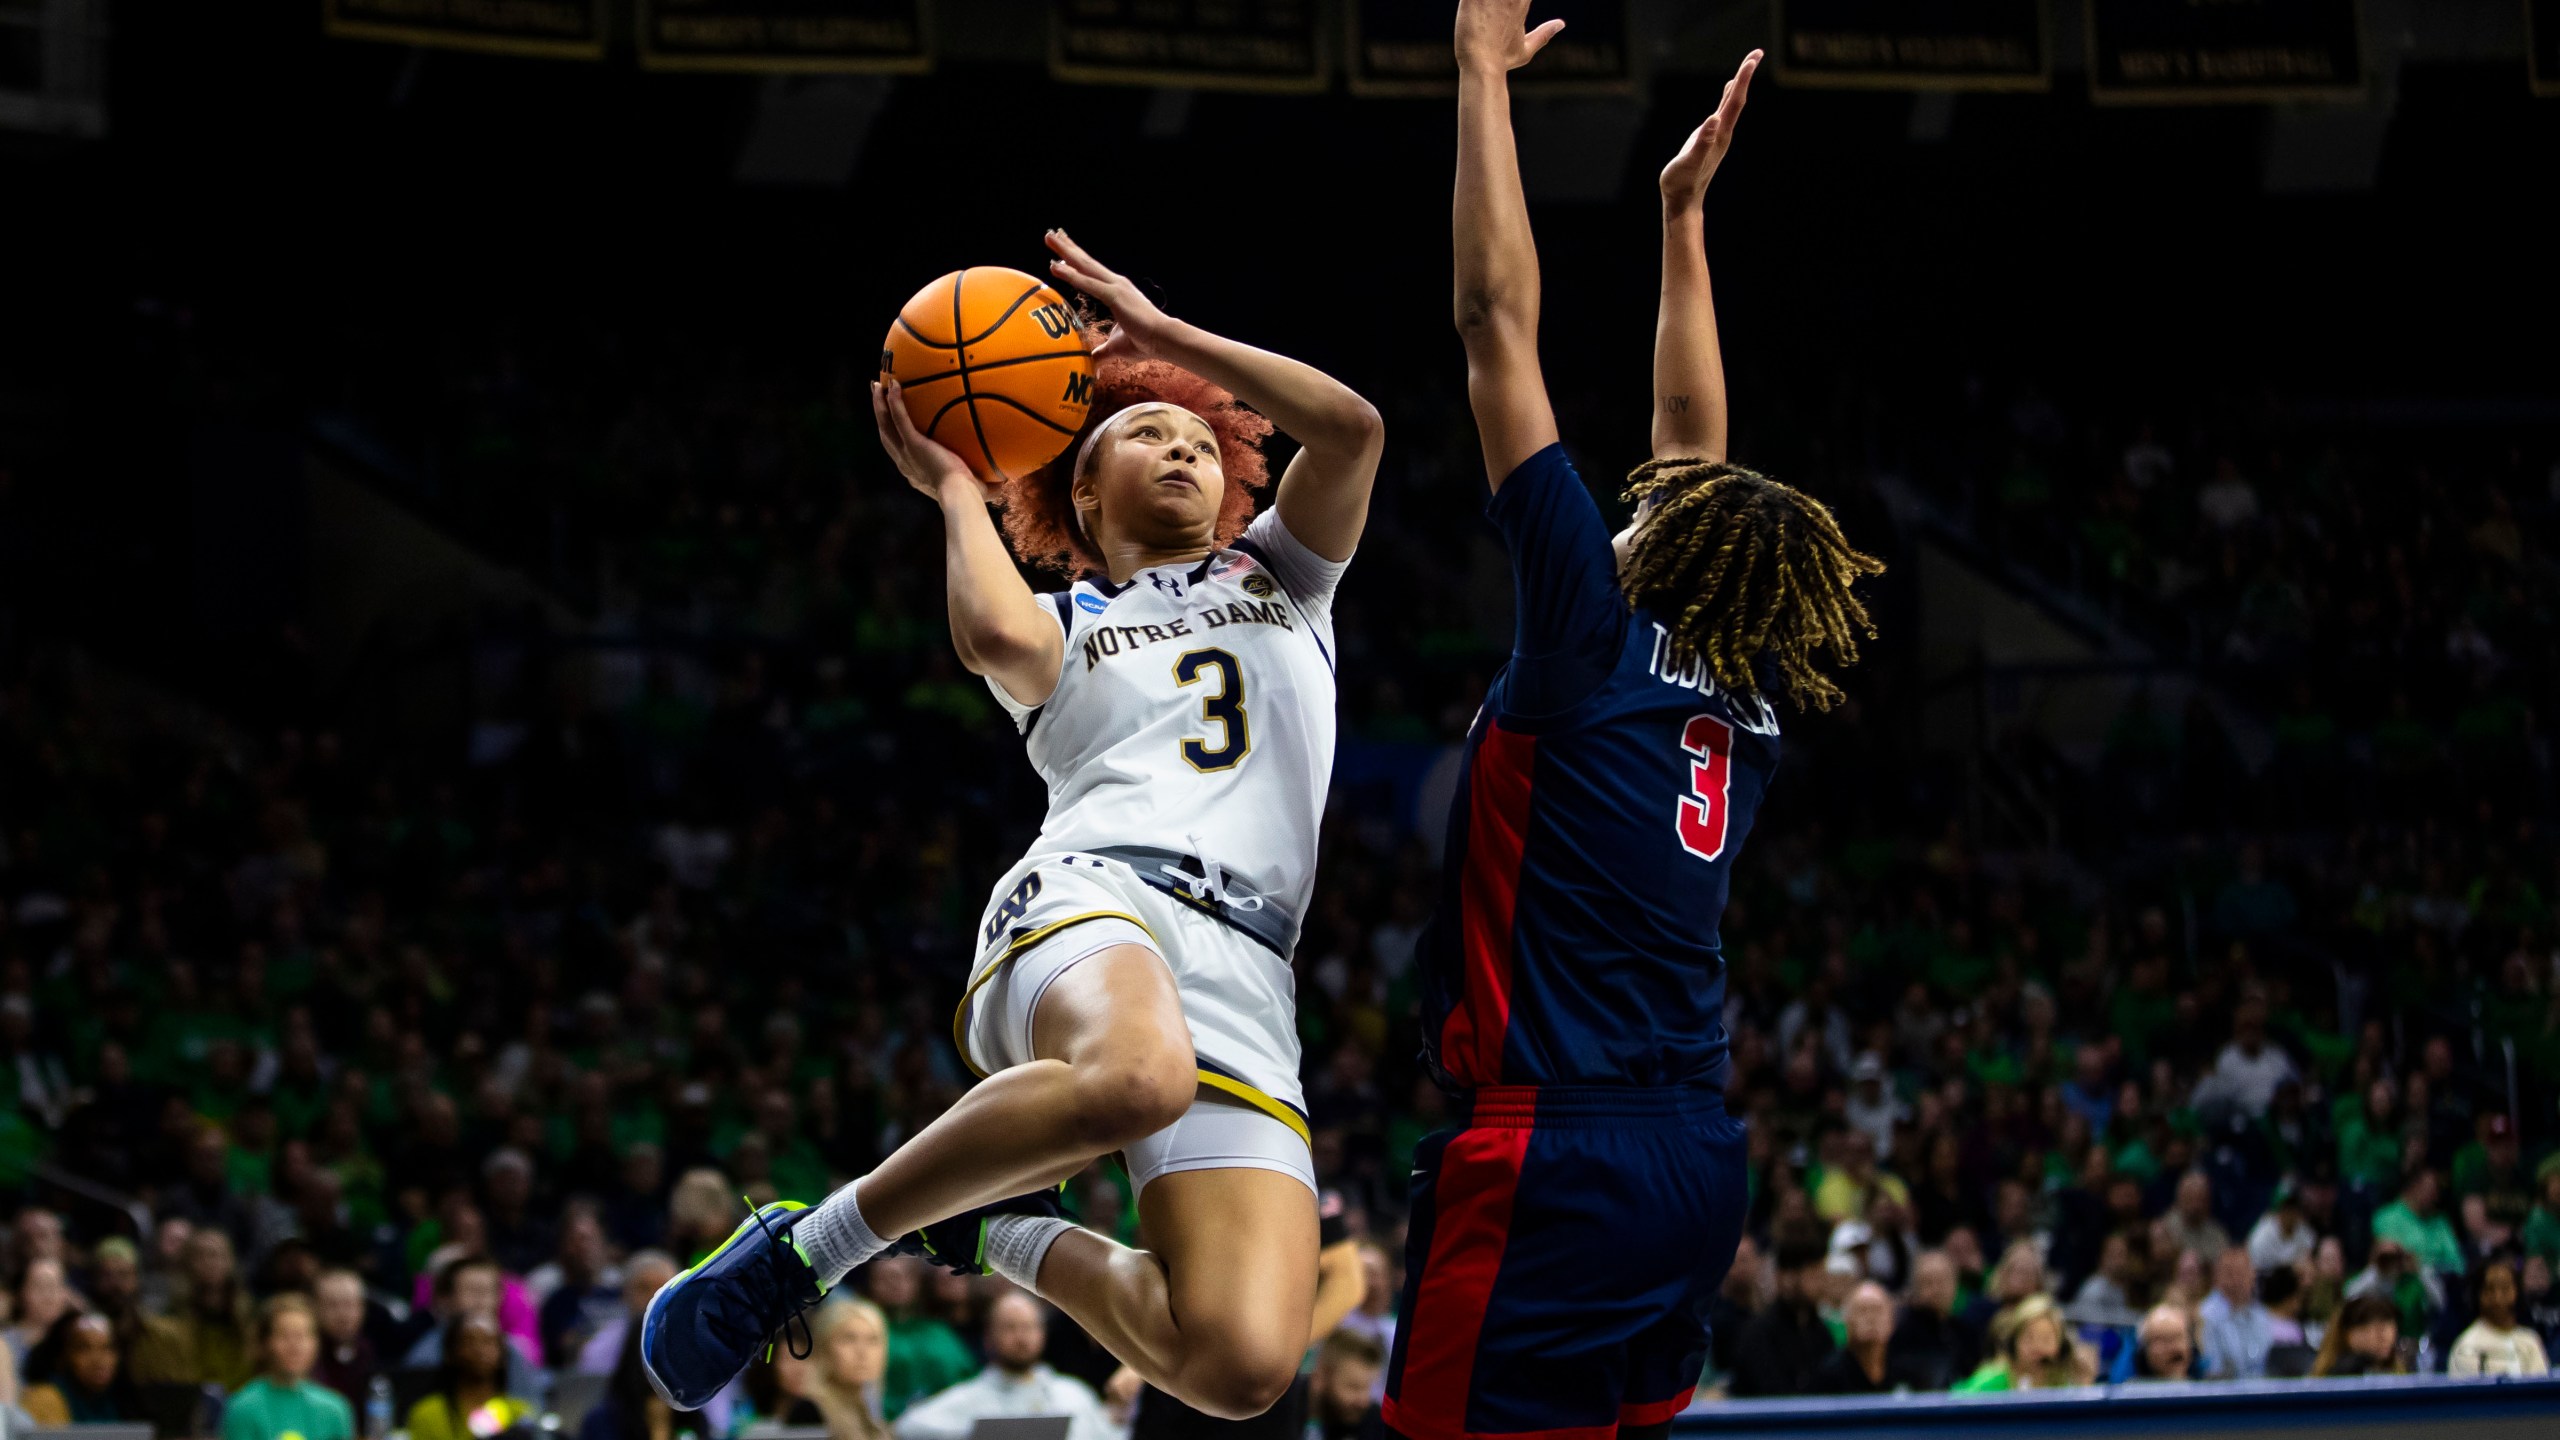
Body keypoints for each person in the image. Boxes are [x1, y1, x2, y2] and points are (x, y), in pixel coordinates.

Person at [644, 223, 1386, 1425]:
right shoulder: (1069, 614)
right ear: (1079, 484)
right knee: (1140, 1077)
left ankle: (994, 1231)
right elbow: (991, 638)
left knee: (1242, 1366)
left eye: (1202, 439)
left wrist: (1165, 338)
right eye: (1147, 430)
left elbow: (1352, 429)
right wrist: (955, 484)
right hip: (1102, 897)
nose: (1185, 449)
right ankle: (805, 1250)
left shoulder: (1285, 582)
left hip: (1252, 966)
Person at [1386, 10, 1876, 1437]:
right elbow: (1690, 452)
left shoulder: (1585, 634)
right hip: (1692, 1156)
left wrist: (1477, 78)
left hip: (1553, 1151)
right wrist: (1679, 223)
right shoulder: (1743, 680)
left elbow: (1494, 326)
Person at [890, 1293, 1122, 1440]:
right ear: (989, 1337)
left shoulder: (1073, 1393)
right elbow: (907, 1428)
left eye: (1029, 1327)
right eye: (1010, 1328)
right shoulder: (969, 1398)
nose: (1021, 1338)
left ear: (1042, 1334)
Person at [404, 1255, 546, 1400]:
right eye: (472, 1290)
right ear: (446, 1299)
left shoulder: (512, 1351)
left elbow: (531, 1410)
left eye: (488, 1290)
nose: (481, 1299)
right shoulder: (425, 1356)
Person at [223, 1296, 357, 1440]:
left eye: (302, 1336)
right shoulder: (243, 1408)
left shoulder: (336, 1409)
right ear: (264, 1343)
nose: (294, 1346)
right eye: (284, 1335)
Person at [1726, 1233, 1835, 1397]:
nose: (1821, 1283)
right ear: (1787, 1278)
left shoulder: (1822, 1332)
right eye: (1814, 1275)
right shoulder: (1758, 1334)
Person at [405, 1315, 539, 1440]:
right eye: (469, 1341)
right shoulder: (427, 1414)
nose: (479, 1349)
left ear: (503, 1354)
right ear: (450, 1352)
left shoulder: (520, 1415)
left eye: (488, 1341)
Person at [21, 1312, 145, 1424]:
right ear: (62, 1356)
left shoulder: (123, 1398)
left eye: (108, 1348)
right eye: (84, 1349)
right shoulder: (45, 1399)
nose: (99, 1361)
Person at [1952, 1295, 2091, 1393]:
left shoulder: (2063, 1385)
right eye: (2029, 1338)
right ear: (2014, 1341)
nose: (2037, 1347)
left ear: (2060, 1347)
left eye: (2046, 1339)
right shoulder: (1991, 1380)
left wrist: (2084, 1383)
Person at [1808, 1283, 1920, 1395]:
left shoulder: (1907, 1371)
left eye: (1877, 1310)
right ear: (1847, 1321)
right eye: (1863, 1310)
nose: (1871, 1318)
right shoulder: (1829, 1375)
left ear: (1891, 1322)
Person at [2447, 1257, 2551, 1377]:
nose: (2498, 1298)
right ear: (2478, 1294)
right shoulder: (2466, 1347)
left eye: (2505, 1288)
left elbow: (2540, 1392)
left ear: (2516, 1291)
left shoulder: (2530, 1342)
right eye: (2490, 1290)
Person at [2197, 1248, 2275, 1380]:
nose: (2235, 1280)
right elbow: (2213, 1371)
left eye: (2241, 1273)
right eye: (2229, 1273)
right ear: (2216, 1277)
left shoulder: (2261, 1315)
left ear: (2252, 1276)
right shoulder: (2205, 1316)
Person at [310, 1268, 380, 1413]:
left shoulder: (371, 1350)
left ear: (362, 1307)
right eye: (332, 1305)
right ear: (315, 1308)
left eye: (350, 1304)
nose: (343, 1315)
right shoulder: (307, 1355)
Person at [1306, 1330, 1385, 1440]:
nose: (1363, 1401)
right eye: (1354, 1387)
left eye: (1367, 1387)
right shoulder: (1282, 1407)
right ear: (1322, 1376)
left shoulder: (1371, 1420)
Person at [2311, 1294, 2407, 1376]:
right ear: (2347, 1334)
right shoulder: (2333, 1377)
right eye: (2376, 1329)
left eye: (2390, 1326)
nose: (2385, 1337)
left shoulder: (2400, 1375)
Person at [2130, 1305, 2195, 1382]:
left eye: (2177, 1337)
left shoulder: (2209, 1386)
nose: (2173, 1348)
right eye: (2164, 1341)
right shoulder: (2132, 1391)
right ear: (2144, 1351)